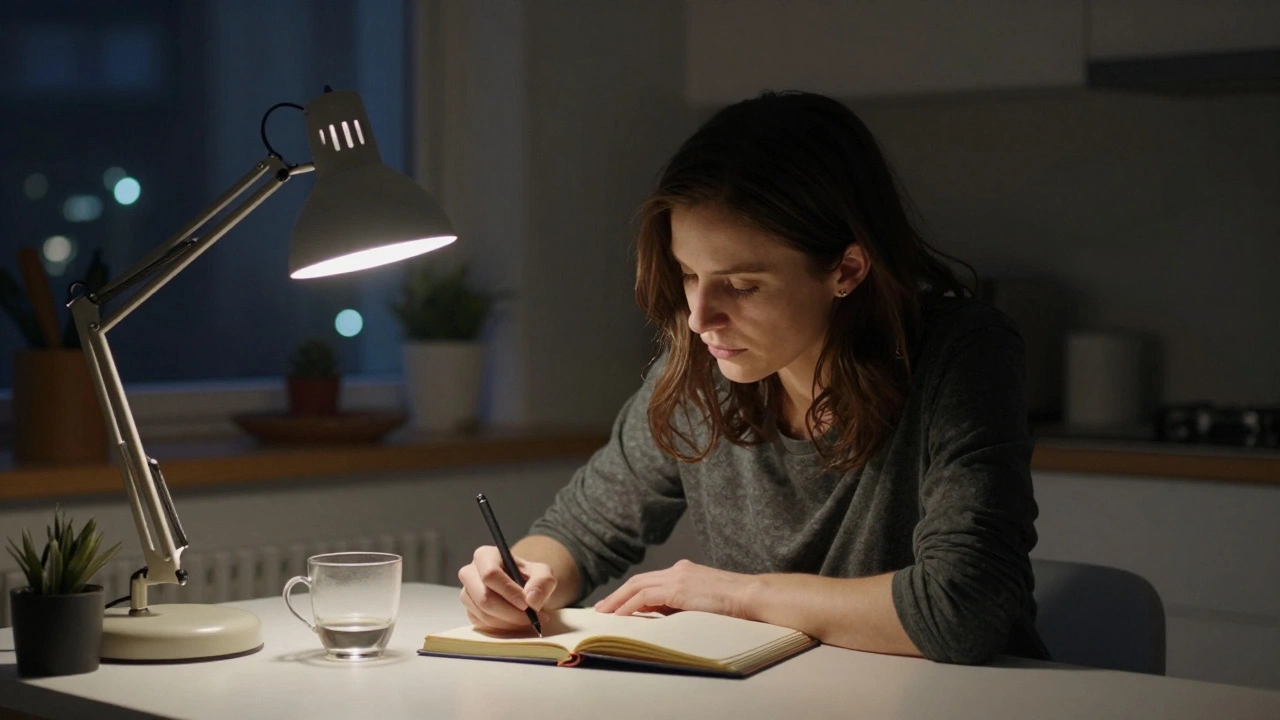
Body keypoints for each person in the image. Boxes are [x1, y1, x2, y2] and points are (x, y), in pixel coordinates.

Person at [457, 91, 1050, 664]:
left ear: (846, 269)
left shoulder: (962, 354)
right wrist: (520, 578)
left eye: (741, 286)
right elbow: (578, 531)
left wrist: (738, 596)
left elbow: (962, 608)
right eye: (688, 274)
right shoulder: (701, 369)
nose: (698, 318)